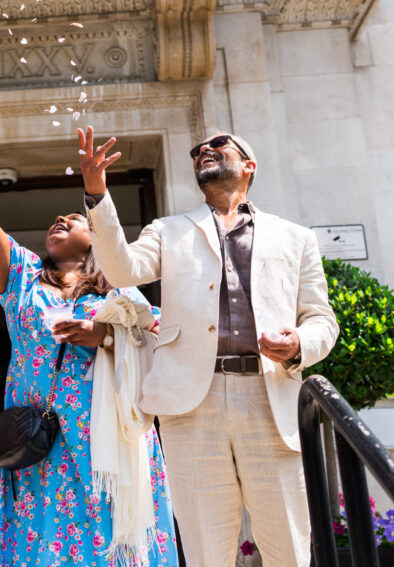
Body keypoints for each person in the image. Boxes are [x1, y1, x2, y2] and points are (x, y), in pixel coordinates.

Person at [0, 121, 178, 566]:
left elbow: (164, 338)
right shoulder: (23, 280)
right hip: (42, 440)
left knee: (109, 539)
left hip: (106, 443)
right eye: (56, 220)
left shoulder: (121, 291)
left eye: (73, 219)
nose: (58, 221)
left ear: (97, 238)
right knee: (45, 540)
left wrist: (106, 335)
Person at [79, 127, 339, 566]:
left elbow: (321, 320)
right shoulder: (167, 230)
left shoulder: (296, 238)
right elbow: (122, 270)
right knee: (205, 552)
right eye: (198, 151)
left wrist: (299, 342)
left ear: (248, 165)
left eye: (218, 146)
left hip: (270, 400)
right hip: (192, 405)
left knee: (289, 548)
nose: (204, 152)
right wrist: (96, 192)